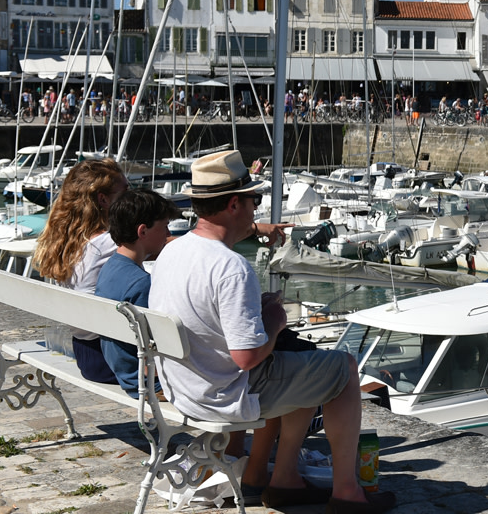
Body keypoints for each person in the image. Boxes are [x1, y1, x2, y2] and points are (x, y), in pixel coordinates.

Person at [150, 151, 395, 513]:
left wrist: (253, 313)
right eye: (255, 199)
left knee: (304, 362)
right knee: (342, 369)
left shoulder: (173, 251)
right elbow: (246, 357)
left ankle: (286, 481)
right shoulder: (230, 266)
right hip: (224, 395)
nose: (256, 209)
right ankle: (347, 493)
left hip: (183, 387)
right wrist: (276, 320)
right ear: (234, 204)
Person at [33, 160, 130, 384]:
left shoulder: (66, 241)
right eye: (125, 191)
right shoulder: (107, 243)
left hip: (86, 353)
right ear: (103, 199)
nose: (131, 196)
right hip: (113, 358)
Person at [96, 189, 182, 398]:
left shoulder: (110, 268)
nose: (168, 234)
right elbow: (158, 344)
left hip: (124, 372)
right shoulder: (141, 283)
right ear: (143, 232)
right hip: (147, 382)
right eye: (164, 227)